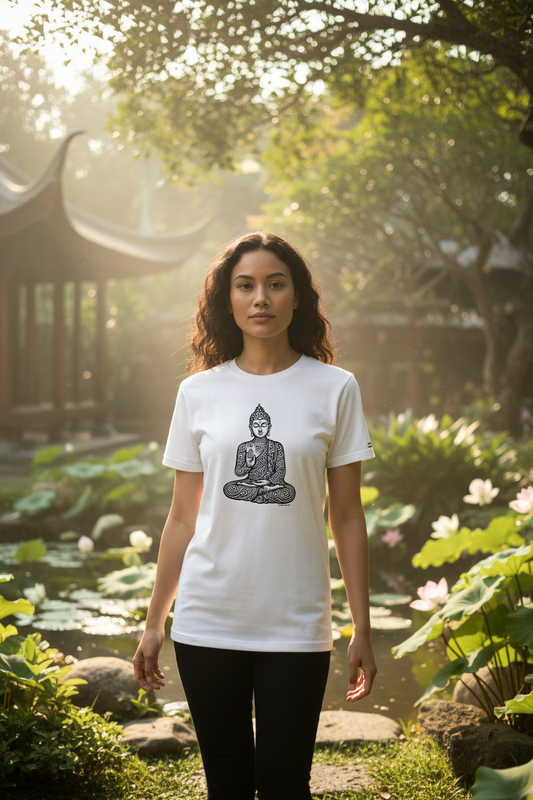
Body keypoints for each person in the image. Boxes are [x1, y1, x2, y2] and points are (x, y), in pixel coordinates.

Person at [133, 231, 377, 800]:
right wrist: (154, 623)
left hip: (296, 620)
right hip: (208, 617)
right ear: (228, 301)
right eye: (245, 286)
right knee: (227, 782)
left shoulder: (335, 388)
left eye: (275, 284)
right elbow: (180, 520)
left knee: (286, 783)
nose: (260, 298)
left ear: (297, 297)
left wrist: (360, 627)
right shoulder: (198, 393)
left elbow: (346, 518)